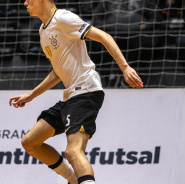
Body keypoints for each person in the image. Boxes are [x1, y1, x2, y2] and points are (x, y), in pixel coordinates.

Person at [9, 0, 143, 184]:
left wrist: (125, 67)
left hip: (86, 90)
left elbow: (103, 36)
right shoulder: (43, 31)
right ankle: (74, 180)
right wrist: (31, 95)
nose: (24, 2)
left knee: (73, 151)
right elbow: (58, 71)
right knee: (30, 142)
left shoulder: (63, 18)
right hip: (71, 95)